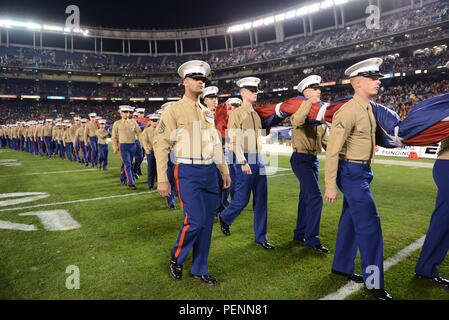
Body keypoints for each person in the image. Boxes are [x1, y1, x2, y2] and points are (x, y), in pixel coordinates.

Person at [154, 60, 230, 285]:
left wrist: (224, 170)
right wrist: (162, 178)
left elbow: (216, 144)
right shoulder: (173, 110)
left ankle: (200, 269)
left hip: (209, 171)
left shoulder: (207, 112)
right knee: (195, 220)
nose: (201, 82)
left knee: (207, 223)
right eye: (197, 78)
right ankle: (176, 256)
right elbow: (161, 144)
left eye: (203, 79)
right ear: (185, 82)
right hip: (187, 169)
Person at [324, 57, 392, 300]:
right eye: (373, 79)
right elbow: (332, 150)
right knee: (370, 226)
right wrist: (330, 185)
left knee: (351, 220)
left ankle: (341, 266)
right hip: (352, 174)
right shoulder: (349, 110)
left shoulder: (368, 108)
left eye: (378, 79)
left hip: (361, 172)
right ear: (358, 83)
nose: (378, 83)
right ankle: (374, 283)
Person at [217, 77, 275, 250]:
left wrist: (272, 123)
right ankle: (225, 218)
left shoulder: (256, 114)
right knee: (241, 199)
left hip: (258, 157)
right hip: (245, 158)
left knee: (261, 200)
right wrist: (242, 161)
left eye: (256, 90)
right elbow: (234, 140)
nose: (255, 92)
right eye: (251, 90)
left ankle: (260, 237)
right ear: (243, 93)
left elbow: (262, 134)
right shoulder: (236, 114)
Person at [290, 75, 329, 254]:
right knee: (316, 197)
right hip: (300, 159)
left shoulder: (319, 116)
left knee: (306, 198)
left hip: (313, 160)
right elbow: (297, 121)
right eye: (314, 89)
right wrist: (308, 102)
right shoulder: (300, 109)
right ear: (306, 92)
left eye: (318, 88)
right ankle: (312, 239)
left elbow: (327, 142)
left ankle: (299, 234)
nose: (319, 91)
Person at [414, 137, 449, 290]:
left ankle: (426, 268)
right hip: (447, 165)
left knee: (444, 223)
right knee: (442, 221)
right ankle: (425, 268)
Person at [111, 105, 142, 190]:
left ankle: (123, 178)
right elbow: (114, 137)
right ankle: (131, 183)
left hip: (132, 145)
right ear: (120, 113)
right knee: (128, 164)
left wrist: (142, 143)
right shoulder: (117, 123)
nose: (126, 114)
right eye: (124, 112)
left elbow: (139, 133)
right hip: (123, 146)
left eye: (127, 112)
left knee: (128, 164)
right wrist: (115, 147)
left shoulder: (133, 122)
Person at [140, 113, 159, 189]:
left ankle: (159, 183)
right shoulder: (146, 130)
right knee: (151, 168)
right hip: (151, 151)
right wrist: (146, 149)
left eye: (156, 120)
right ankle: (150, 184)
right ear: (150, 121)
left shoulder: (161, 130)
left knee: (159, 168)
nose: (154, 122)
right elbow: (144, 141)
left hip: (159, 151)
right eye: (153, 121)